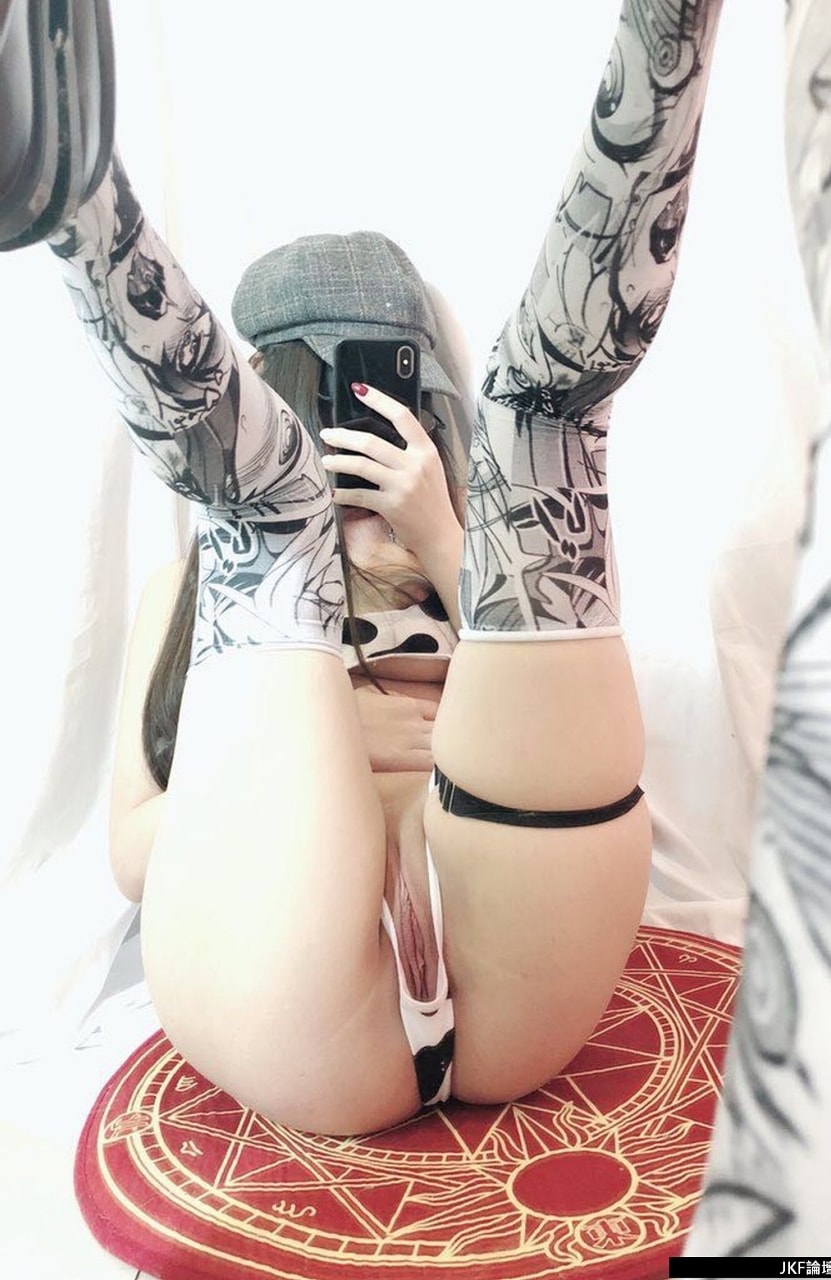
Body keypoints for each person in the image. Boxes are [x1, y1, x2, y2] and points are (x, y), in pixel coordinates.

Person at [0, 0, 723, 1136]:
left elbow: (553, 706)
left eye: (388, 379)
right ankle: (75, 201)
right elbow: (135, 853)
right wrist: (293, 707)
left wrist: (443, 533)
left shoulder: (461, 546)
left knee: (540, 420)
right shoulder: (197, 594)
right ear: (263, 391)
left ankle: (675, 24)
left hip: (515, 937)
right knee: (272, 514)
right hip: (286, 970)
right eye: (316, 383)